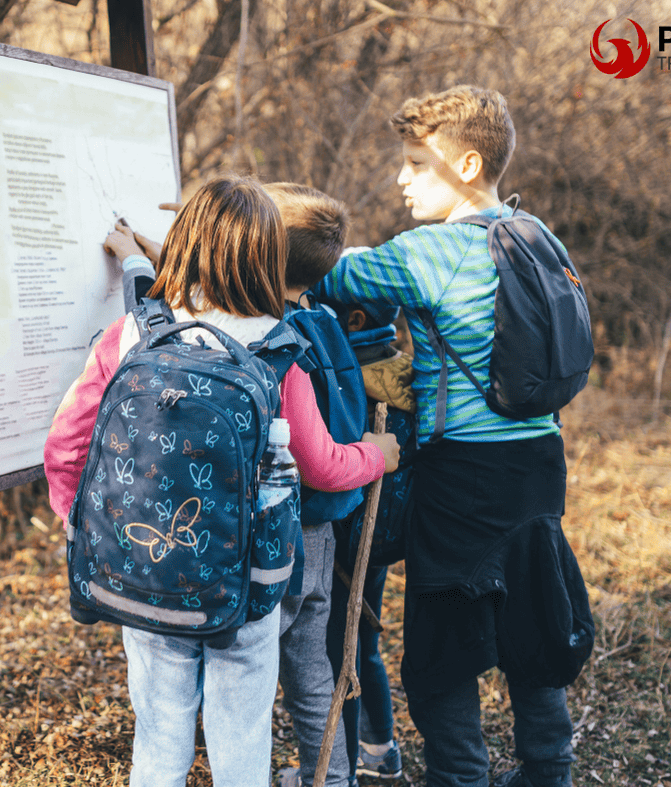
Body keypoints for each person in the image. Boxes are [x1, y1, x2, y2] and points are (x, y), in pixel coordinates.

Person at [44, 175, 399, 787]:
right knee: (240, 732)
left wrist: (82, 523)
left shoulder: (133, 334)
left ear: (182, 244)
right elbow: (320, 465)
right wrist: (377, 455)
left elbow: (67, 445)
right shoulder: (277, 347)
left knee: (159, 729)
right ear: (268, 256)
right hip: (246, 583)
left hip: (147, 567)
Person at [313, 86, 592, 787]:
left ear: (466, 166)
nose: (401, 179)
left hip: (462, 476)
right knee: (534, 625)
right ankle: (546, 771)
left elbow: (325, 275)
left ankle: (460, 779)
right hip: (539, 464)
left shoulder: (426, 253)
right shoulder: (537, 234)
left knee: (440, 655)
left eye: (415, 163)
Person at [260, 182, 376, 787]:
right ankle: (330, 776)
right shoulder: (322, 316)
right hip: (321, 524)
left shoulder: (270, 331)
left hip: (272, 524)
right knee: (310, 659)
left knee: (249, 661)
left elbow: (315, 456)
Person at [328, 299, 415, 782]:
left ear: (355, 321)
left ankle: (342, 767)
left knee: (338, 653)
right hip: (382, 537)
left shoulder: (354, 382)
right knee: (364, 645)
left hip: (347, 540)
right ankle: (380, 748)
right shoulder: (406, 374)